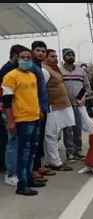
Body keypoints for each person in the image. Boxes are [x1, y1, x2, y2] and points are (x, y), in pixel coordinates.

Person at [2, 46, 45, 196]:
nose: (26, 60)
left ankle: (29, 179)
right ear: (17, 58)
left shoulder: (32, 75)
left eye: (29, 58)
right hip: (22, 120)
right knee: (22, 153)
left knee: (32, 152)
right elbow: (6, 102)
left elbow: (34, 96)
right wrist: (10, 121)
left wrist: (39, 111)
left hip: (34, 118)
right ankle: (21, 184)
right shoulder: (10, 76)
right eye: (23, 57)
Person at [41, 49, 74, 171]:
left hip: (60, 107)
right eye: (52, 56)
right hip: (52, 107)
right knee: (51, 134)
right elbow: (41, 90)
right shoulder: (44, 70)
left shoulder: (54, 69)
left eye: (56, 56)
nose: (55, 58)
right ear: (45, 58)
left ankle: (51, 160)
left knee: (55, 134)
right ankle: (55, 162)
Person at [61, 48, 91, 163]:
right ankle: (70, 152)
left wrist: (82, 97)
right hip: (66, 105)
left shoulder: (81, 71)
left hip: (78, 105)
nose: (70, 56)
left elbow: (87, 86)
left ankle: (78, 150)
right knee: (67, 130)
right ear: (64, 57)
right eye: (68, 55)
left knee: (78, 129)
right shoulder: (60, 71)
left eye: (72, 54)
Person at [0, 44, 24, 186]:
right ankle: (10, 173)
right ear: (15, 56)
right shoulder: (8, 71)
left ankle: (15, 170)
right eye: (22, 57)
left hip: (16, 109)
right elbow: (7, 96)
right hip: (8, 110)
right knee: (12, 141)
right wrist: (9, 117)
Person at [30, 41, 52, 183]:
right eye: (38, 50)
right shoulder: (31, 68)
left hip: (43, 108)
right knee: (33, 141)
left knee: (39, 140)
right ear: (33, 51)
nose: (41, 53)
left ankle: (37, 166)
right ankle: (32, 170)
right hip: (34, 110)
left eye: (43, 51)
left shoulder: (39, 67)